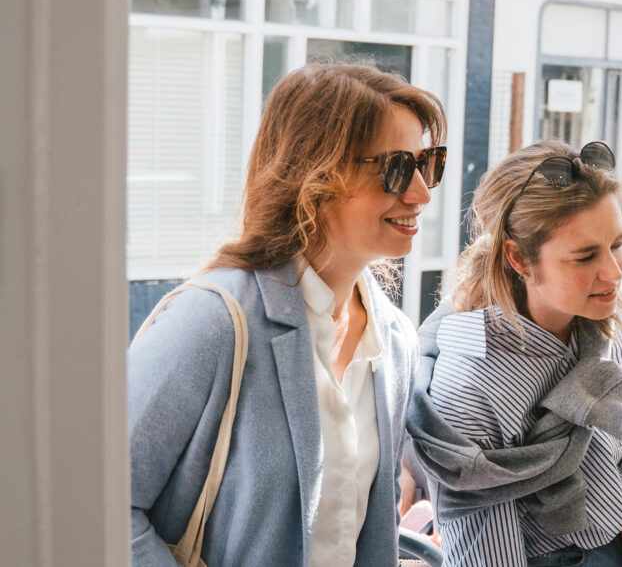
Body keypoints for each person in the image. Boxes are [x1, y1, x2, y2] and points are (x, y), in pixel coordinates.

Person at [128, 61, 447, 566]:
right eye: (396, 169)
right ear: (316, 175)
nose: (422, 193)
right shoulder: (213, 323)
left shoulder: (394, 341)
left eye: (428, 163)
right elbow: (104, 503)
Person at [407, 140, 622, 567]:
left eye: (618, 243)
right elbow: (487, 554)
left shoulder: (621, 293)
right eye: (585, 256)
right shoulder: (470, 382)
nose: (614, 270)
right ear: (519, 258)